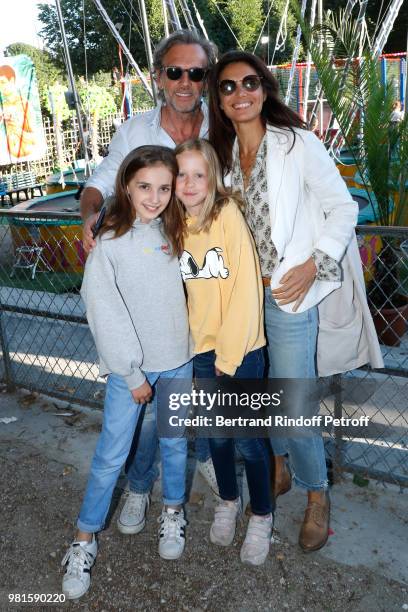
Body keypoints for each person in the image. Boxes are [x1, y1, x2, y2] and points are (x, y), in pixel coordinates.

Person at [208, 51, 384, 552]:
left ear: (264, 89)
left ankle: (315, 495)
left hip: (289, 298)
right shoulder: (219, 158)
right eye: (227, 86)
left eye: (249, 83)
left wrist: (312, 265)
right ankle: (280, 467)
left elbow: (342, 208)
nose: (240, 93)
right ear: (218, 100)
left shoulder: (296, 144)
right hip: (240, 301)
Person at [80, 30, 220, 534]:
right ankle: (141, 487)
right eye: (175, 71)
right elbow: (100, 183)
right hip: (154, 301)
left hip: (203, 293)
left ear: (206, 78)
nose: (185, 82)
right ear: (159, 76)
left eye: (196, 72)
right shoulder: (136, 131)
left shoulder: (221, 125)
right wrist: (91, 220)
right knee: (146, 423)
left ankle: (192, 478)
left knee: (192, 407)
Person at [61, 146, 192, 600]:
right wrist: (132, 372)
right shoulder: (110, 241)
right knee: (110, 457)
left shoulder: (176, 231)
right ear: (126, 187)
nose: (154, 197)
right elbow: (104, 310)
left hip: (178, 360)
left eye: (163, 187)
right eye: (144, 187)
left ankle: (172, 512)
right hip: (130, 371)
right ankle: (83, 539)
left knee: (175, 446)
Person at [174, 138, 273, 565]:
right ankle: (229, 501)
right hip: (201, 352)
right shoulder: (175, 226)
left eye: (199, 174)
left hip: (241, 351)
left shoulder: (228, 216)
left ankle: (263, 515)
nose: (190, 183)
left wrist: (227, 360)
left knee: (249, 442)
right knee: (215, 437)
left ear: (214, 177)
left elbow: (246, 296)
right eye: (181, 174)